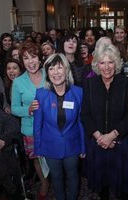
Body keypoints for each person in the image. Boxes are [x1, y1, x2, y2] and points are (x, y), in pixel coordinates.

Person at [81, 44, 128, 200]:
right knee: (102, 187)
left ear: (117, 63)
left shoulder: (126, 83)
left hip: (119, 142)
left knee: (122, 188)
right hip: (97, 143)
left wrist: (112, 135)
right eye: (102, 62)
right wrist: (100, 137)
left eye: (110, 62)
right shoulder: (90, 84)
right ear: (97, 65)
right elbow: (85, 115)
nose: (107, 67)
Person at [33, 53, 86, 200]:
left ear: (67, 70)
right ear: (47, 73)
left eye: (59, 68)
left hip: (72, 144)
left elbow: (81, 122)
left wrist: (83, 146)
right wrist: (37, 148)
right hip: (50, 145)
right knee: (56, 178)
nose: (56, 73)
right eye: (51, 69)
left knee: (73, 176)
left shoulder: (78, 93)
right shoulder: (41, 94)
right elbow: (37, 124)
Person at [11, 41, 49, 199]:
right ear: (22, 61)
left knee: (54, 155)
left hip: (51, 125)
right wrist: (27, 110)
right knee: (37, 159)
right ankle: (45, 183)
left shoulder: (50, 74)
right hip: (30, 128)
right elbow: (14, 108)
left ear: (40, 59)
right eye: (26, 58)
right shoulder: (18, 82)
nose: (30, 61)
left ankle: (58, 179)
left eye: (33, 57)